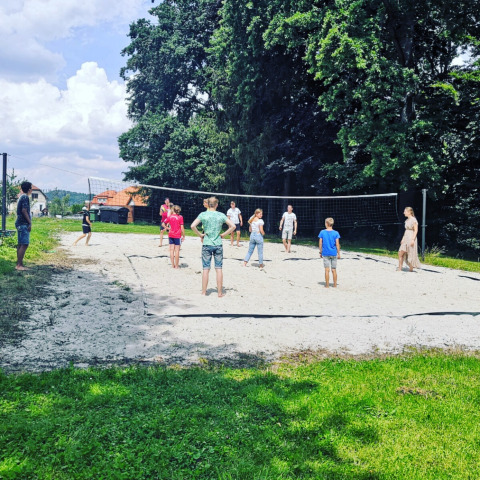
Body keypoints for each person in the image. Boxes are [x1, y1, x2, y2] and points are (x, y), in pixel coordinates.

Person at [191, 197, 236, 297]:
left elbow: (192, 226)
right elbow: (233, 226)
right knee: (219, 269)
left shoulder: (203, 214)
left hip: (206, 244)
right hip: (218, 244)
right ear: (216, 205)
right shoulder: (221, 215)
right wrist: (224, 234)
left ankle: (203, 292)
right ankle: (219, 293)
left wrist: (200, 235)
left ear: (208, 204)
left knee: (206, 269)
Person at [15, 181, 33, 271]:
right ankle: (19, 265)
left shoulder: (21, 197)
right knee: (25, 244)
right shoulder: (25, 197)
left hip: (19, 222)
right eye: (31, 188)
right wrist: (29, 222)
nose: (32, 190)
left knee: (20, 243)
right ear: (29, 189)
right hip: (23, 223)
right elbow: (24, 210)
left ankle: (19, 263)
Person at [318, 217, 341, 288]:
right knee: (334, 270)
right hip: (334, 253)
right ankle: (334, 285)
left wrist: (320, 252)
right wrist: (339, 253)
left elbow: (320, 243)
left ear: (327, 224)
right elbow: (337, 244)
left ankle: (327, 285)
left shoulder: (322, 232)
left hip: (325, 253)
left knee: (327, 270)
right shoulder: (336, 233)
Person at [398, 207, 421, 272]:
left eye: (405, 211)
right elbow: (406, 230)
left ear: (409, 212)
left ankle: (411, 269)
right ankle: (400, 268)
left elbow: (416, 230)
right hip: (406, 236)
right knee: (400, 253)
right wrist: (403, 239)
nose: (404, 213)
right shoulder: (407, 220)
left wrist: (413, 239)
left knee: (411, 253)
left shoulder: (414, 220)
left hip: (411, 236)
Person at [164, 205, 185, 269]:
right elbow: (182, 227)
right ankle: (176, 266)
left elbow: (163, 223)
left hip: (170, 235)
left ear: (173, 210)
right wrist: (184, 235)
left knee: (171, 250)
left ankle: (172, 265)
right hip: (177, 235)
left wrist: (167, 227)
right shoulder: (180, 217)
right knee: (177, 251)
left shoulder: (170, 217)